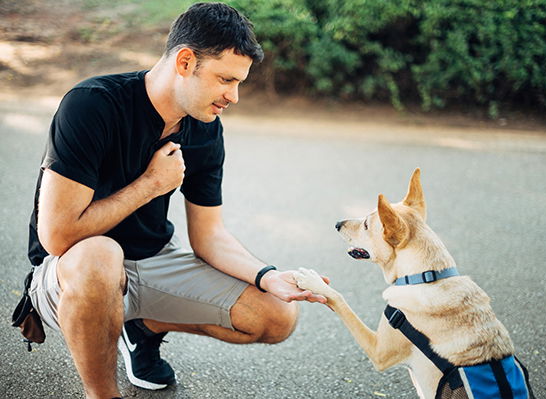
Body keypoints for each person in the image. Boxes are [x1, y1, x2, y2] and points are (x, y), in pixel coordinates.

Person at [26, 3, 327, 398]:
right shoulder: (92, 104)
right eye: (225, 79)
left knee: (277, 316)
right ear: (185, 61)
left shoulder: (205, 130)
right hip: (72, 272)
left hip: (151, 261)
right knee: (100, 256)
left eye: (239, 83)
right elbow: (57, 237)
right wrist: (151, 184)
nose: (233, 96)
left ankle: (142, 326)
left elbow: (209, 236)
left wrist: (267, 276)